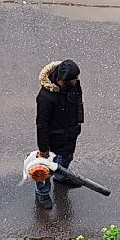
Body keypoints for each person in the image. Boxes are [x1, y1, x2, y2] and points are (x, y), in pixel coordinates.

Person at [34, 59, 84, 211]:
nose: (76, 81)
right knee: (46, 169)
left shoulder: (74, 84)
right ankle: (41, 192)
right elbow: (41, 125)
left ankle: (62, 177)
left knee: (66, 157)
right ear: (62, 80)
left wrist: (78, 123)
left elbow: (78, 102)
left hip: (70, 133)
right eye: (73, 80)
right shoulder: (46, 97)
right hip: (54, 139)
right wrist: (43, 149)